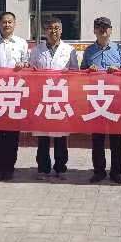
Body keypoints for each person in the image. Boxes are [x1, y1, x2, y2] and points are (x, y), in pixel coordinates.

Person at [29, 16, 79, 180]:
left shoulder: (69, 50)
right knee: (43, 137)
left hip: (61, 97)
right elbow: (30, 72)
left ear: (61, 30)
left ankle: (60, 168)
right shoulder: (37, 50)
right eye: (50, 28)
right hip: (42, 98)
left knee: (61, 137)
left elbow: (75, 73)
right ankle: (43, 169)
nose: (53, 31)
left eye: (56, 28)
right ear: (45, 31)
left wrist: (69, 74)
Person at [0, 12, 29, 181]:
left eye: (10, 22)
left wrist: (23, 64)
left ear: (14, 24)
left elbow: (28, 64)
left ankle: (9, 168)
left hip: (15, 92)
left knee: (12, 133)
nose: (7, 25)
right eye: (4, 22)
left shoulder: (22, 43)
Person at [81, 17, 121, 184]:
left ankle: (116, 172)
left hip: (116, 99)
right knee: (97, 138)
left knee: (116, 139)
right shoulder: (88, 51)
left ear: (111, 30)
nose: (103, 30)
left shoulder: (119, 50)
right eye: (99, 27)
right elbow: (81, 72)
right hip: (96, 99)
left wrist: (119, 70)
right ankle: (99, 171)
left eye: (106, 27)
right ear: (94, 30)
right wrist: (88, 70)